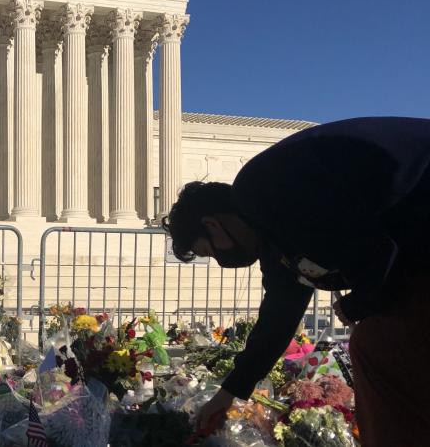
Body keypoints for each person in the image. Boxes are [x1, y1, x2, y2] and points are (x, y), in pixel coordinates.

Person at [163, 117, 430, 445]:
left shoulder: (264, 193)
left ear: (213, 225)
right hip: (415, 243)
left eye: (209, 251)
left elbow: (374, 248)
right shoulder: (273, 235)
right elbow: (280, 314)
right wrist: (232, 390)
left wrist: (358, 302)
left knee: (382, 347)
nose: (221, 261)